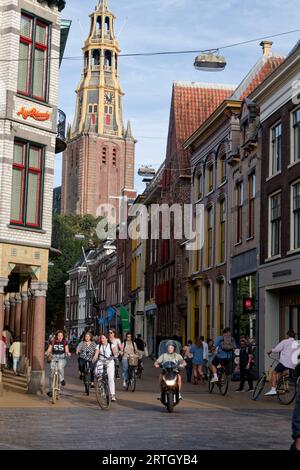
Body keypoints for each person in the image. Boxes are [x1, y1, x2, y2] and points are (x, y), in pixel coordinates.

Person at [265, 330, 300, 396]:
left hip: (285, 362)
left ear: (288, 335)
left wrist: (270, 351)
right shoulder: (297, 343)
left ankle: (273, 389)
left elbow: (277, 349)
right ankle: (281, 383)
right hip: (293, 364)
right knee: (282, 371)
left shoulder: (285, 341)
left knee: (274, 372)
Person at [46, 330, 71, 397]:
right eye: (59, 335)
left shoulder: (65, 342)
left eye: (61, 336)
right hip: (54, 358)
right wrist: (47, 352)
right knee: (51, 373)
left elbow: (66, 350)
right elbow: (49, 349)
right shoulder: (53, 342)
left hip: (62, 358)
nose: (60, 337)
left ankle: (62, 379)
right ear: (57, 336)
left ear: (63, 336)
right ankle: (51, 390)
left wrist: (68, 353)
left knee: (60, 367)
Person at [93, 333, 117, 401]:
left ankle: (112, 395)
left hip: (109, 362)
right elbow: (96, 354)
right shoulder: (98, 346)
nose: (102, 340)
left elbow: (115, 352)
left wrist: (115, 355)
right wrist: (94, 359)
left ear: (107, 338)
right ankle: (102, 390)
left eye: (103, 338)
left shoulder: (111, 345)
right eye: (101, 338)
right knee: (98, 375)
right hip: (100, 361)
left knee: (110, 378)